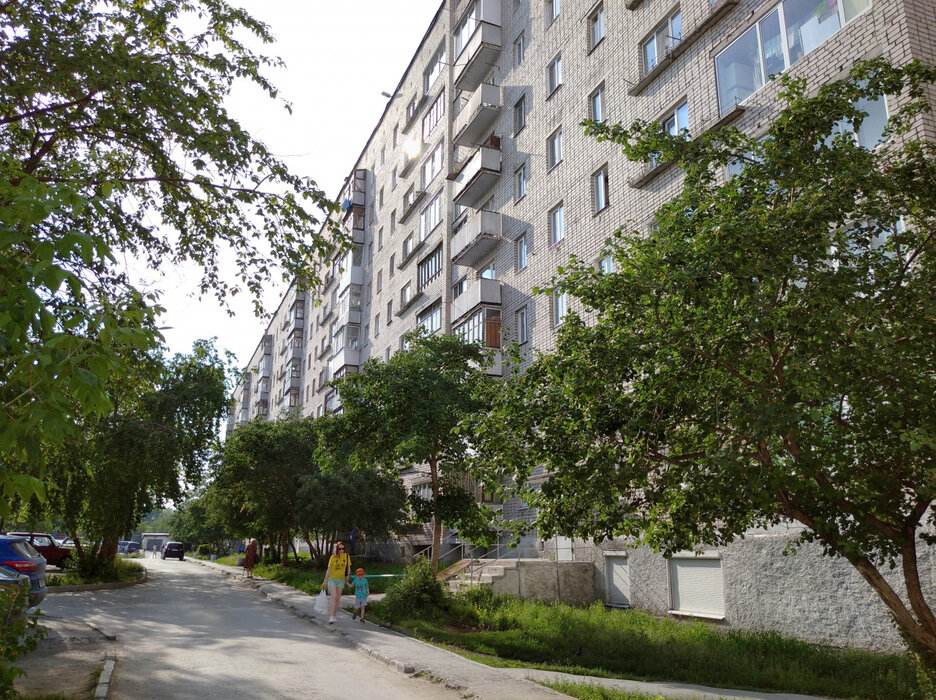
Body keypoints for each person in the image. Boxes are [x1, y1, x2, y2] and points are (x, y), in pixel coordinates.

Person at [320, 541, 350, 624]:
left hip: (341, 579)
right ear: (337, 549)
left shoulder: (346, 556)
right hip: (332, 579)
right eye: (339, 549)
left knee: (337, 598)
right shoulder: (333, 557)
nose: (341, 550)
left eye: (343, 549)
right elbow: (329, 570)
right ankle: (331, 617)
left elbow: (348, 567)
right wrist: (325, 581)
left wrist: (348, 575)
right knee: (334, 596)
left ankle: (334, 616)